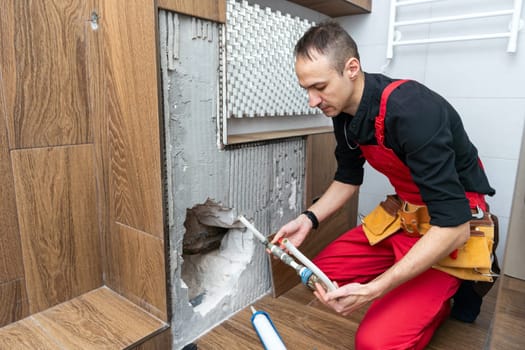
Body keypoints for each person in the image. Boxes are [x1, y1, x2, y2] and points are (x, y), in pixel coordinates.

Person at [272, 21, 496, 350]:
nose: (311, 101)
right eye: (306, 89)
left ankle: (437, 295)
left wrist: (374, 289)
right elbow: (348, 177)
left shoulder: (413, 111)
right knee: (322, 275)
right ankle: (409, 278)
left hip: (450, 228)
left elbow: (454, 226)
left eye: (319, 87)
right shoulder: (343, 113)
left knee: (374, 344)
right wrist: (308, 219)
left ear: (351, 68)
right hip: (406, 219)